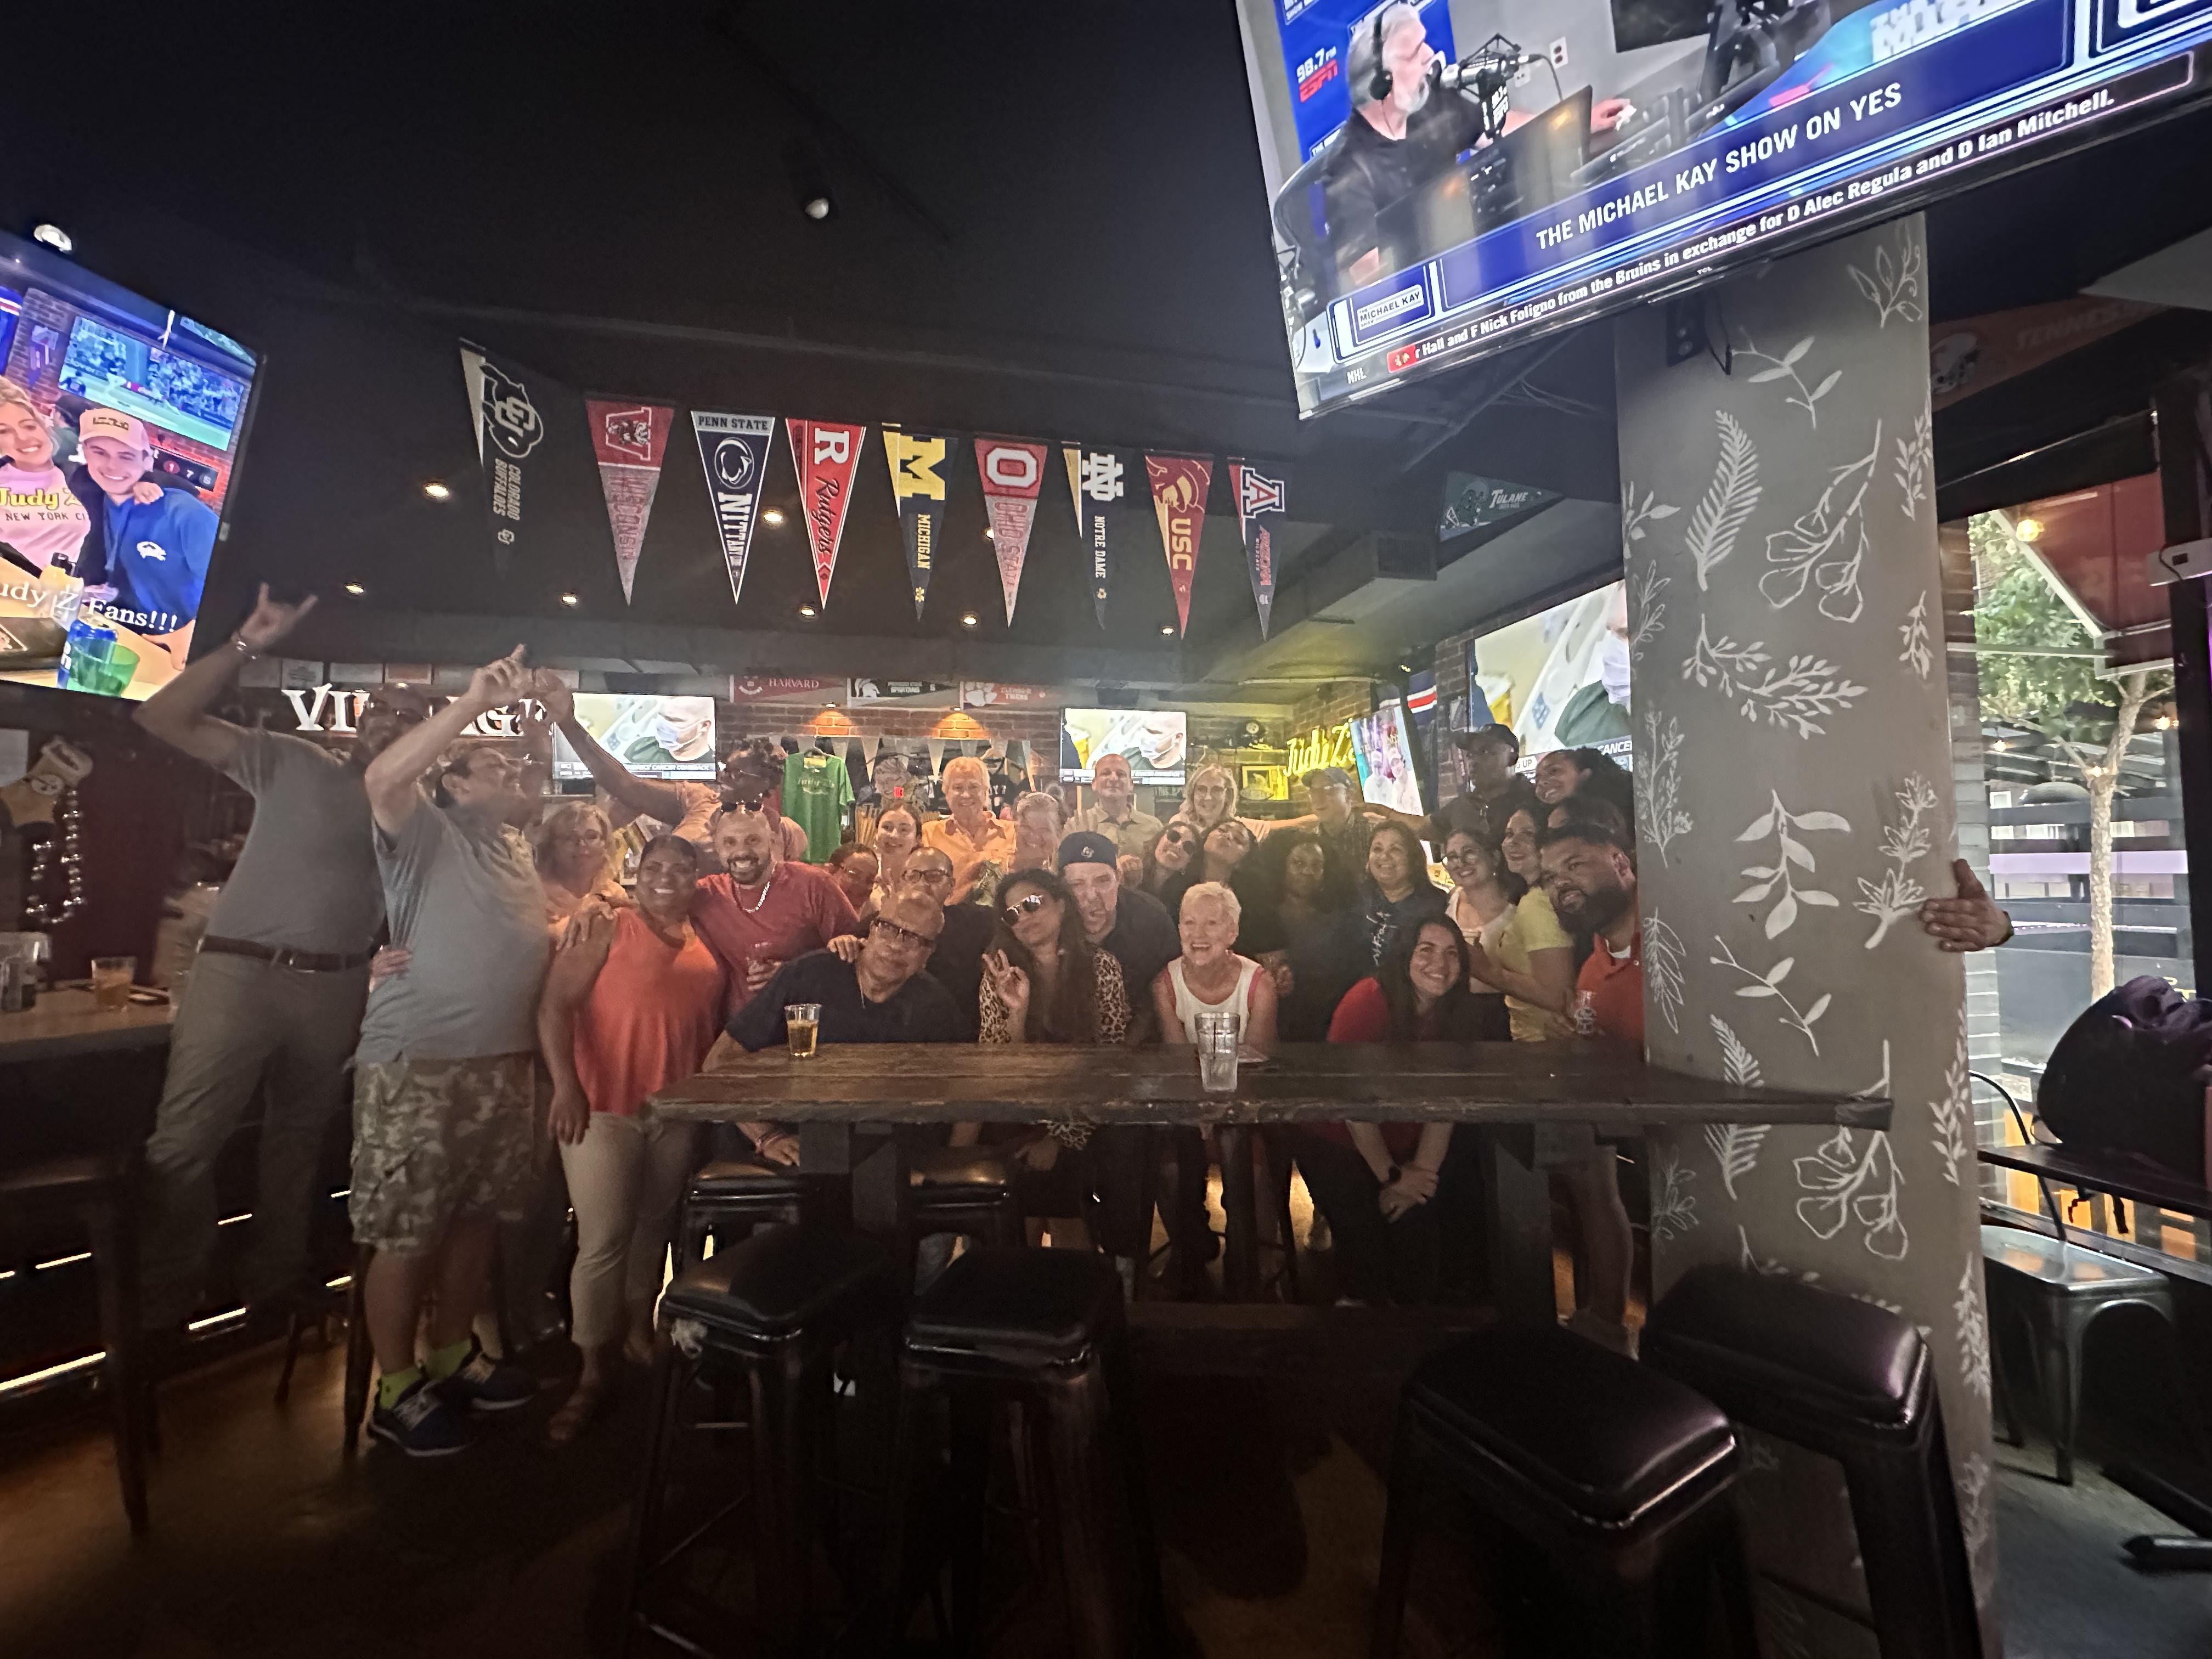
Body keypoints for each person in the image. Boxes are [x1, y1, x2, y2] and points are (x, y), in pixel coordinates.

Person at [132, 586, 430, 1350]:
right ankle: (165, 1309)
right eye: (382, 709)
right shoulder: (293, 761)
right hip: (240, 974)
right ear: (360, 720)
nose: (391, 722)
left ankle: (274, 1294)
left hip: (337, 985)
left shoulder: (422, 816)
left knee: (298, 1146)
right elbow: (160, 718)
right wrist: (245, 645)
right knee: (182, 1145)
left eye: (410, 717)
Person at [352, 647, 551, 1456]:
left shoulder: (513, 844)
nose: (515, 771)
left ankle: (451, 1353)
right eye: (494, 766)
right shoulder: (425, 833)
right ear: (455, 784)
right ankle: (395, 1388)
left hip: (504, 1062)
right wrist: (471, 704)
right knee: (408, 1230)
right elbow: (382, 779)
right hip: (420, 1060)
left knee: (475, 1219)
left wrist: (551, 724)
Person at [535, 836, 723, 1443]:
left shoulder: (703, 935)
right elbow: (554, 1007)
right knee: (603, 1240)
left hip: (674, 1111)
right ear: (636, 873)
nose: (666, 877)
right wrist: (566, 1087)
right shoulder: (608, 925)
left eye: (680, 869)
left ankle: (639, 1332)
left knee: (653, 1228)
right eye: (654, 867)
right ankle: (592, 1367)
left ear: (696, 879)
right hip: (603, 1105)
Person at [1317, 3, 1626, 290]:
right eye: (1414, 54)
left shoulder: (1431, 103)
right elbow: (1366, 273)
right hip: (1435, 292)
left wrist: (1580, 120)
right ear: (1381, 83)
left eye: (1424, 43)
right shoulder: (1346, 167)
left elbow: (1499, 127)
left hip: (1481, 256)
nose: (1429, 55)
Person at [1301, 919, 1498, 1304]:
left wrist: (1420, 1178)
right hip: (1337, 1139)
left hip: (1405, 1140)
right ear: (1404, 955)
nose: (1439, 963)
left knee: (1422, 1235)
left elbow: (1445, 1105)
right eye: (1426, 950)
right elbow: (1353, 1105)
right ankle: (1359, 1316)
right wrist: (1393, 1177)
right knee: (1366, 1251)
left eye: (1452, 953)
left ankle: (1417, 1325)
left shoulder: (1457, 1012)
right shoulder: (1369, 1001)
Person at [957, 868, 1131, 1249]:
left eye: (1033, 903)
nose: (1024, 917)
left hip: (1084, 1110)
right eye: (1012, 914)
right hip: (1020, 1107)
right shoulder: (1000, 972)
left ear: (1062, 905)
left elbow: (1109, 1064)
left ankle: (1073, 1275)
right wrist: (1017, 1014)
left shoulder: (1101, 967)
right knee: (1024, 1184)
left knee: (1058, 1184)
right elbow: (999, 1065)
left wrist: (1059, 1137)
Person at [1534, 812, 1643, 1356]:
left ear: (1621, 863)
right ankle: (1607, 1322)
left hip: (1701, 1132)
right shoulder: (1592, 970)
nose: (1562, 884)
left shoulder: (1677, 940)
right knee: (1588, 1170)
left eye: (1574, 865)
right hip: (1636, 1126)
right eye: (1551, 878)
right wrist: (1577, 1041)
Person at [1056, 832, 1181, 1279]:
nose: (1090, 896)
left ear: (1119, 879)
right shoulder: (1046, 917)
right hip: (1065, 1064)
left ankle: (1134, 1266)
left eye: (1102, 881)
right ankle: (1076, 1267)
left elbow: (1166, 989)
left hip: (1141, 1062)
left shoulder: (1149, 916)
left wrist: (1126, 1053)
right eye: (1076, 884)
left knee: (1136, 1145)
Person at [718, 891, 964, 1052]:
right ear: (871, 930)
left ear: (927, 954)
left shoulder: (936, 1007)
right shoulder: (807, 975)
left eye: (914, 938)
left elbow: (959, 1088)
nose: (895, 945)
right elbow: (725, 1054)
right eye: (888, 928)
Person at [688, 807, 860, 1024]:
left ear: (772, 840)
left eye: (753, 840)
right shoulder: (707, 894)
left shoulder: (813, 884)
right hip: (742, 1032)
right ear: (717, 847)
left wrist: (792, 974)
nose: (741, 852)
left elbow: (860, 958)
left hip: (809, 1027)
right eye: (730, 842)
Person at [74, 408, 219, 644]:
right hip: (120, 635)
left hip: (183, 648)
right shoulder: (88, 497)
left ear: (147, 462)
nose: (112, 466)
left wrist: (187, 638)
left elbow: (230, 589)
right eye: (100, 452)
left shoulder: (185, 513)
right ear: (85, 453)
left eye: (126, 456)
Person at [1468, 805, 1576, 1042]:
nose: (1512, 843)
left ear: (1547, 842)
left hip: (1542, 1042)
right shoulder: (1542, 895)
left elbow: (1557, 996)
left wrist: (1485, 970)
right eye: (1509, 834)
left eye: (1527, 834)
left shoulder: (1537, 904)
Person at [1244, 828, 1358, 1042]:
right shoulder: (1259, 917)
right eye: (1298, 863)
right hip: (1263, 1023)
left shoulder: (1337, 920)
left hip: (1321, 1028)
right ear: (1282, 866)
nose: (1308, 871)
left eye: (1316, 865)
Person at [1152, 882, 1280, 1051]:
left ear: (1233, 932)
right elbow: (1180, 1061)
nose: (1198, 934)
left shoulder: (1261, 986)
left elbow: (1256, 1061)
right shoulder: (1165, 986)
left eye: (1211, 923)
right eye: (1190, 923)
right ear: (1180, 929)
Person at [1440, 828, 1517, 1031]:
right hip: (1449, 1006)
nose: (1461, 863)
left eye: (1470, 852)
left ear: (1494, 857)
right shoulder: (1451, 899)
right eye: (1452, 857)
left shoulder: (1517, 912)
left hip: (1500, 1015)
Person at [1347, 819, 1447, 972]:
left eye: (1395, 850)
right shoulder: (1357, 897)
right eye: (1377, 849)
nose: (1384, 856)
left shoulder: (1436, 906)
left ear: (1413, 858)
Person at [923, 754, 1018, 904]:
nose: (966, 795)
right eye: (958, 788)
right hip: (949, 916)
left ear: (986, 792)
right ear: (946, 793)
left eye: (974, 787)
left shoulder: (1013, 832)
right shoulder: (929, 834)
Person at [1431, 725, 1538, 849]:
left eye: (1484, 752)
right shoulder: (1462, 806)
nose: (1474, 762)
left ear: (1512, 758)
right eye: (1471, 755)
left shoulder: (1536, 801)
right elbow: (1423, 827)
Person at [531, 800, 622, 933]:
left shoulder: (615, 894)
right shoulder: (534, 893)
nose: (582, 845)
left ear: (606, 844)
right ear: (551, 846)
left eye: (592, 837)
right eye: (570, 838)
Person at [1070, 752, 1164, 862]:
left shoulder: (1154, 827)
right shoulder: (1077, 825)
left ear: (1131, 784)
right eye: (1106, 773)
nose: (1114, 778)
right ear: (1094, 783)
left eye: (1121, 774)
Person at [865, 804, 923, 914]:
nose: (894, 835)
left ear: (917, 839)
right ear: (876, 833)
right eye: (887, 828)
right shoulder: (866, 876)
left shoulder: (923, 884)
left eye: (904, 830)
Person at [1008, 790, 1066, 875]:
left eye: (1044, 830)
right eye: (1027, 827)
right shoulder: (999, 871)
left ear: (1059, 834)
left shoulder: (1068, 876)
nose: (1034, 836)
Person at [1142, 816, 1201, 900]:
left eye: (1188, 846)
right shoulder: (1135, 871)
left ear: (1190, 860)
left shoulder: (1191, 895)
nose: (1179, 846)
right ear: (1160, 838)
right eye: (1174, 836)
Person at [1178, 763, 1243, 838]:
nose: (1208, 797)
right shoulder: (1179, 828)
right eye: (1201, 790)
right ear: (1192, 794)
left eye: (1217, 790)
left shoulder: (1238, 834)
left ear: (1228, 796)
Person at [825, 842, 880, 914]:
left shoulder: (873, 915)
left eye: (870, 881)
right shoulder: (813, 907)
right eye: (854, 875)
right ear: (832, 870)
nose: (861, 887)